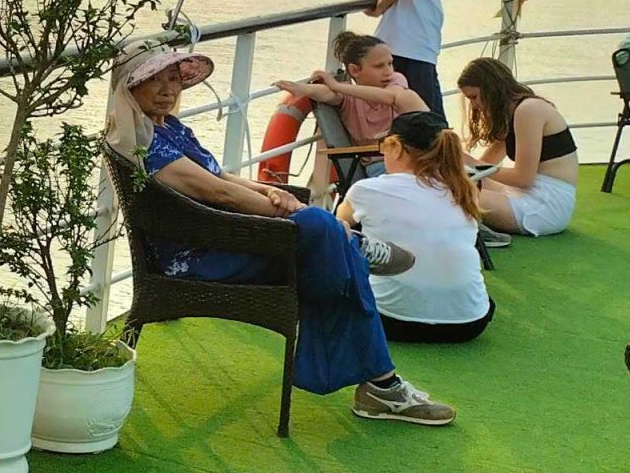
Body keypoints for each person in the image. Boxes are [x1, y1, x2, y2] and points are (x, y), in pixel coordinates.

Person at [107, 41, 455, 426]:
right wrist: (287, 211)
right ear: (130, 87)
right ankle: (381, 379)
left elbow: (221, 177)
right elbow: (217, 193)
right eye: (154, 80)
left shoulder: (168, 128)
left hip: (224, 238)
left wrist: (270, 191)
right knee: (325, 235)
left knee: (329, 244)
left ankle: (353, 259)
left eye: (173, 78)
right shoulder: (144, 146)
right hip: (201, 255)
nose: (168, 89)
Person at [337, 111, 492, 343]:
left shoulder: (366, 190)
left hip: (389, 322)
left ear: (397, 147)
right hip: (468, 325)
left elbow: (338, 227)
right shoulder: (464, 190)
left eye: (384, 146)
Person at [273, 31, 429, 180]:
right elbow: (326, 93)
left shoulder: (396, 81)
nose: (388, 71)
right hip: (380, 164)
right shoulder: (348, 98)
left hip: (411, 160)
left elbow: (389, 97)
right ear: (354, 70)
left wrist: (336, 85)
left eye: (390, 64)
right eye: (379, 66)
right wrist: (303, 89)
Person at [457, 56, 579, 236]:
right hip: (523, 192)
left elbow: (523, 178)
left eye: (474, 97)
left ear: (491, 89)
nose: (474, 106)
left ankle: (480, 233)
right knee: (451, 183)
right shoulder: (512, 113)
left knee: (452, 193)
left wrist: (469, 162)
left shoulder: (529, 110)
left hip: (545, 204)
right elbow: (484, 166)